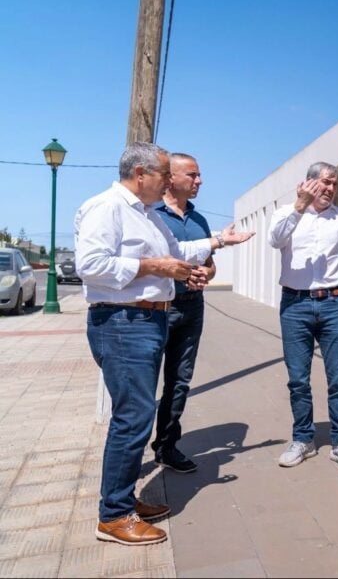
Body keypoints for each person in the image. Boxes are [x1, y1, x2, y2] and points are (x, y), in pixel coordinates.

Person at [75, 142, 254, 546]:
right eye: (163, 174)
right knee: (134, 417)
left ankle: (123, 501)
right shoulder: (106, 208)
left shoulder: (148, 215)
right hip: (123, 322)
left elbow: (178, 252)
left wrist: (213, 246)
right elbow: (90, 265)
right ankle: (114, 516)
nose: (169, 181)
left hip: (147, 320)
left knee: (136, 414)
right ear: (140, 174)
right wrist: (156, 266)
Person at [268, 161, 338, 471]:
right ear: (309, 182)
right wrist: (299, 206)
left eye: (335, 184)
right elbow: (275, 239)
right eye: (325, 182)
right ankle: (303, 440)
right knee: (298, 380)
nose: (331, 188)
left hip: (333, 304)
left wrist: (336, 288)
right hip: (294, 306)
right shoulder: (286, 213)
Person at [150, 152, 216, 473]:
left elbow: (210, 265)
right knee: (144, 383)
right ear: (171, 177)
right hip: (158, 309)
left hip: (192, 308)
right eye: (192, 175)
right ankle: (129, 454)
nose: (199, 181)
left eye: (198, 175)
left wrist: (205, 274)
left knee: (179, 382)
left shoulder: (200, 221)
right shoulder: (152, 215)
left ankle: (166, 447)